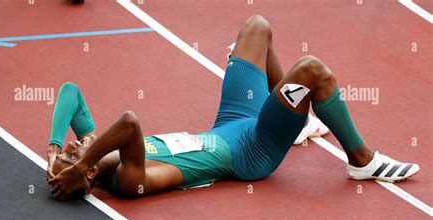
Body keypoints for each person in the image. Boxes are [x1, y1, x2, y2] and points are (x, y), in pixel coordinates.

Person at [47, 15, 419, 200]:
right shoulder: (129, 179)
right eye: (72, 154)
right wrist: (79, 164)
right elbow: (129, 123)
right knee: (311, 70)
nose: (73, 145)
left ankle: (295, 118)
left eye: (70, 147)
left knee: (257, 27)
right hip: (252, 152)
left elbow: (70, 92)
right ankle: (361, 160)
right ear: (89, 172)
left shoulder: (99, 153)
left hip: (230, 123)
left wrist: (53, 153)